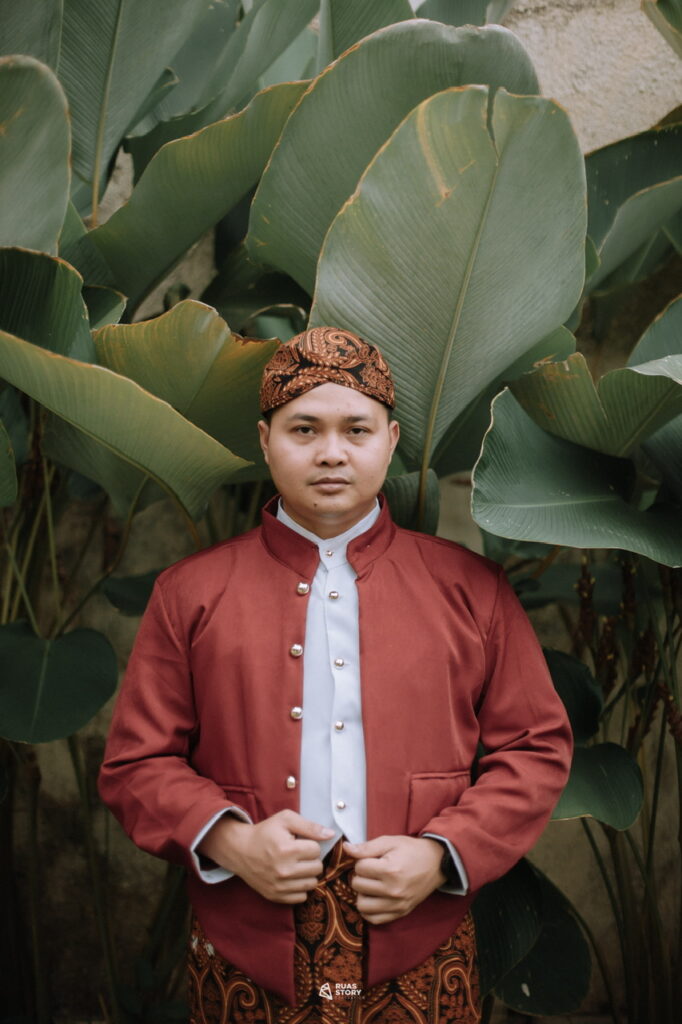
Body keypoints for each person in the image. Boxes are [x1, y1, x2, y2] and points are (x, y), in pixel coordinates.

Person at [99, 326, 573, 1024]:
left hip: (421, 940)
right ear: (265, 441)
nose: (330, 452)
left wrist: (443, 855)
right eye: (304, 429)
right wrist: (233, 842)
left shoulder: (472, 590)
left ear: (391, 439)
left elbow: (536, 747)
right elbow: (136, 764)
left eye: (356, 429)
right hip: (246, 943)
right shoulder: (190, 592)